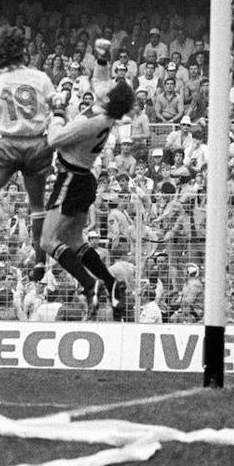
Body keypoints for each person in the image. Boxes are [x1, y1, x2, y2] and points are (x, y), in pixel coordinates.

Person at [39, 79, 136, 319]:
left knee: (47, 241)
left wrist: (58, 113)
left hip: (70, 180)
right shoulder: (105, 112)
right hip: (84, 179)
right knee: (73, 241)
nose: (105, 85)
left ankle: (89, 283)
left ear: (109, 99)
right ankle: (110, 282)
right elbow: (100, 80)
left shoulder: (95, 122)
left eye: (110, 89)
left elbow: (54, 140)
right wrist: (102, 57)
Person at [0, 26, 56, 276]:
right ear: (22, 53)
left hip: (8, 141)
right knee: (37, 204)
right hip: (37, 141)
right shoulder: (40, 78)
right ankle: (39, 260)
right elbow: (56, 104)